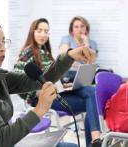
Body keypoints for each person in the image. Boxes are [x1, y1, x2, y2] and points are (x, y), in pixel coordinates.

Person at [0, 18, 94, 147]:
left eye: (3, 41)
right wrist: (40, 109)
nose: (2, 47)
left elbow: (38, 79)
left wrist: (70, 56)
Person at [14, 18, 101, 147]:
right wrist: (39, 91)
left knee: (90, 93)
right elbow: (19, 84)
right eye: (40, 30)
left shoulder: (45, 52)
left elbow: (51, 77)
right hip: (41, 99)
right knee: (90, 100)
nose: (43, 34)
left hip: (55, 93)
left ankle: (94, 141)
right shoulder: (27, 53)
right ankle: (95, 140)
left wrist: (62, 84)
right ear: (33, 32)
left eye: (46, 31)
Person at [59, 16, 98, 83]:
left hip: (86, 74)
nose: (79, 29)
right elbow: (65, 58)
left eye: (82, 26)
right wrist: (82, 68)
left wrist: (87, 45)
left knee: (101, 74)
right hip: (70, 72)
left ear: (86, 28)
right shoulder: (66, 39)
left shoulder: (93, 43)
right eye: (76, 27)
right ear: (72, 30)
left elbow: (91, 61)